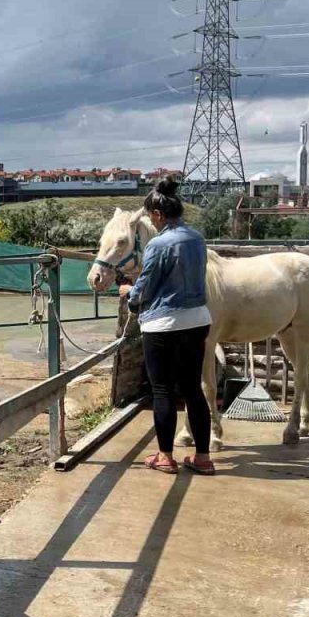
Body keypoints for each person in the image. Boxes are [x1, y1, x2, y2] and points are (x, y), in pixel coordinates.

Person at [118, 178, 213, 475]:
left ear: (158, 215)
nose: (152, 222)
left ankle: (165, 456)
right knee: (192, 389)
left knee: (162, 390)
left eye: (151, 217)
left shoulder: (158, 244)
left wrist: (128, 295)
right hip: (197, 320)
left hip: (163, 325)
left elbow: (144, 288)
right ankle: (203, 458)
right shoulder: (197, 238)